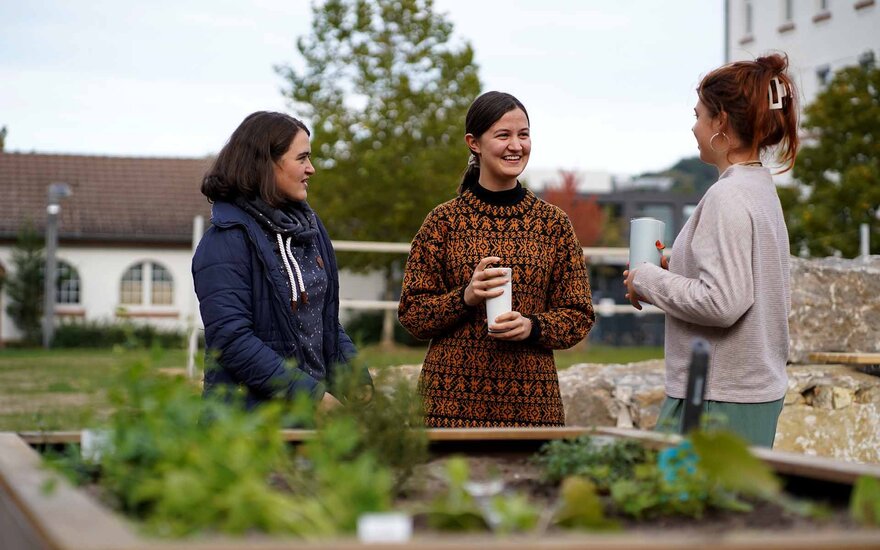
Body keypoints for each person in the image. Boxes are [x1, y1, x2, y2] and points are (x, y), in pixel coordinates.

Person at [623, 53, 800, 447]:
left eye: (699, 115)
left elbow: (722, 302)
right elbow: (741, 277)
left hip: (716, 399)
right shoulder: (759, 188)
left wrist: (646, 278)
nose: (694, 126)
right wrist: (674, 267)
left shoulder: (727, 196)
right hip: (747, 393)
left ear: (720, 121)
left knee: (674, 487)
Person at [398, 91, 595, 428]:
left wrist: (532, 327)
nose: (516, 146)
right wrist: (465, 297)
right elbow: (412, 314)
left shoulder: (553, 224)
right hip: (447, 409)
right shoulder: (443, 222)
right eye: (503, 135)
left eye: (523, 135)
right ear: (474, 143)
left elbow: (579, 315)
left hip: (532, 409)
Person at [192, 111, 370, 412]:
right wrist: (312, 398)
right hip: (251, 425)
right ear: (266, 163)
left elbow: (324, 322)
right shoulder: (225, 241)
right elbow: (232, 342)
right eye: (302, 158)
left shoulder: (310, 231)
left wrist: (357, 380)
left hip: (310, 420)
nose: (311, 168)